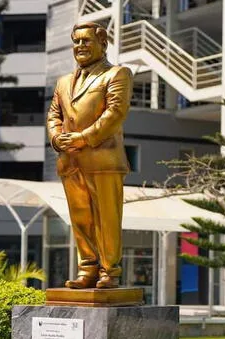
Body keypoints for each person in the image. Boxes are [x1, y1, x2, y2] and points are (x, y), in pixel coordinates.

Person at [46, 22, 133, 289]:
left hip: (103, 161)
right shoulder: (63, 82)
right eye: (76, 42)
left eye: (86, 41)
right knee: (81, 218)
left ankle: (110, 272)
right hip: (70, 161)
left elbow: (115, 114)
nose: (80, 46)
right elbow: (54, 114)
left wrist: (83, 138)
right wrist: (56, 137)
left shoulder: (117, 74)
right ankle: (88, 269)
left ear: (103, 44)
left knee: (107, 217)